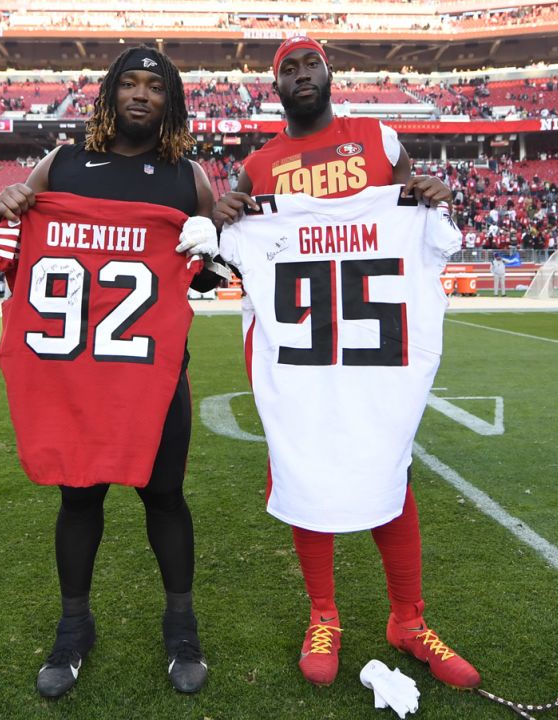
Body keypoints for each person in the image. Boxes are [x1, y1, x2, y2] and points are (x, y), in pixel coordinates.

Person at [212, 35, 480, 691]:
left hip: (371, 345)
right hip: (302, 350)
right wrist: (222, 218)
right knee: (306, 466)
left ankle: (408, 620)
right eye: (288, 69)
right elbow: (222, 262)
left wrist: (430, 193)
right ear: (275, 86)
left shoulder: (380, 140)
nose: (301, 75)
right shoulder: (258, 166)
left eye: (311, 64)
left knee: (389, 463)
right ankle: (322, 613)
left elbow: (417, 212)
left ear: (330, 74)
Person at [0, 44, 222, 699]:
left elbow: (214, 276)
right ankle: (73, 627)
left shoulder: (189, 179)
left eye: (155, 86)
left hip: (153, 375)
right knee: (78, 495)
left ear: (170, 101)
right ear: (110, 93)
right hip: (77, 373)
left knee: (164, 497)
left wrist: (213, 251)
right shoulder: (60, 165)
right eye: (130, 84)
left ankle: (181, 626)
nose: (141, 95)